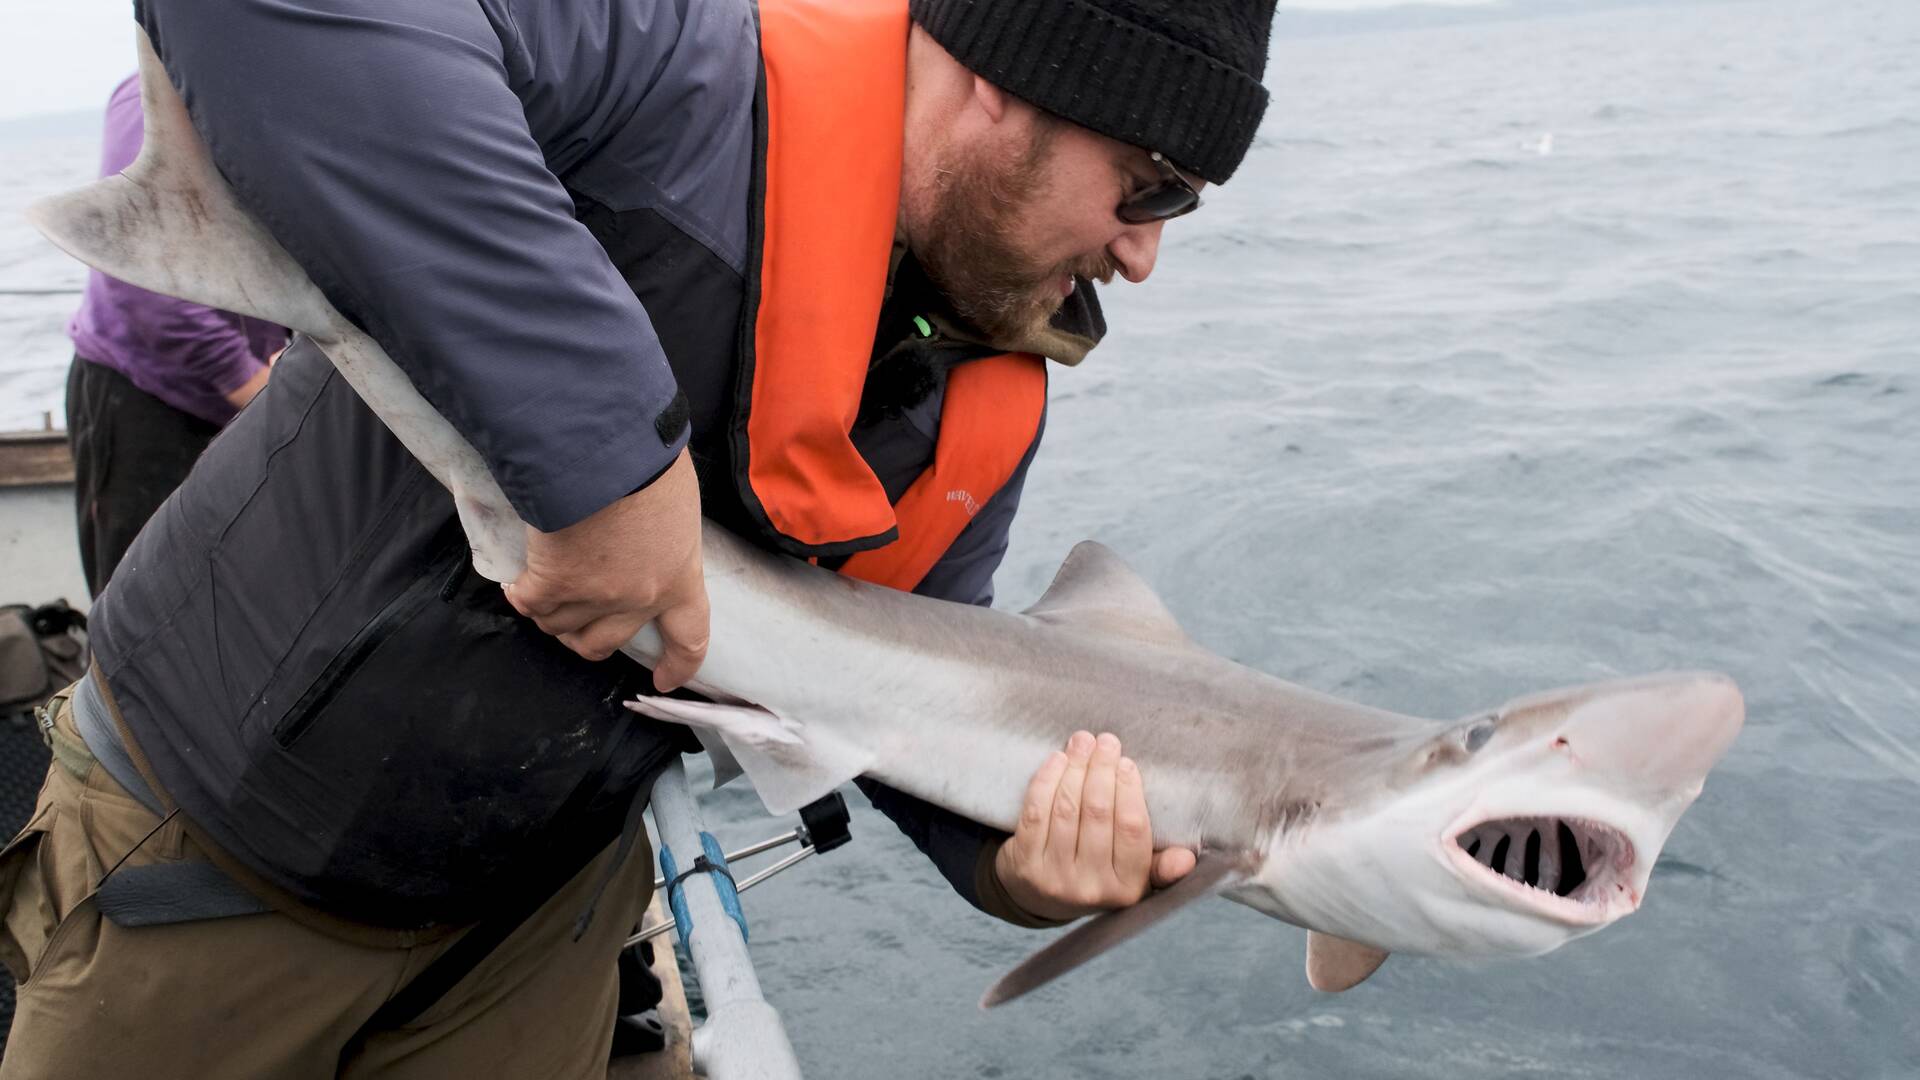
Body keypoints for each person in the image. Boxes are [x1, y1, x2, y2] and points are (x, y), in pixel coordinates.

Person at [0, 0, 1277, 1074]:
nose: (1145, 253)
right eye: (1148, 182)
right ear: (1017, 83)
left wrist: (1020, 869)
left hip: (530, 938)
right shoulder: (669, 74)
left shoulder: (982, 388)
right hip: (210, 857)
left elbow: (898, 710)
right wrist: (605, 454)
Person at [64, 74, 285, 597]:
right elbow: (136, 272)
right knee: (140, 609)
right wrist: (249, 382)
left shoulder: (274, 93)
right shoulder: (155, 91)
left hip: (252, 399)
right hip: (148, 400)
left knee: (237, 607)